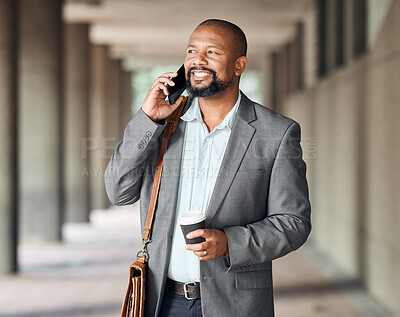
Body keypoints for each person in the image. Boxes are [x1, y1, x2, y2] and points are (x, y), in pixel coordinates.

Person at [105, 19, 311, 317]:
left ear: (239, 65)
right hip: (163, 300)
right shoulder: (162, 124)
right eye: (191, 51)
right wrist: (148, 118)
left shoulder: (277, 133)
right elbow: (118, 191)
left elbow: (294, 222)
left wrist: (231, 242)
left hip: (235, 304)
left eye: (211, 52)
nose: (197, 60)